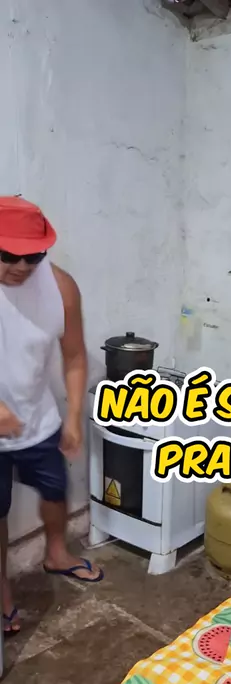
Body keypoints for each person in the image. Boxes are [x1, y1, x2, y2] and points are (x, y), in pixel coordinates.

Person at [0, 196, 103, 636]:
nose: (22, 266)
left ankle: (56, 554)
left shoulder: (60, 288)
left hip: (38, 418)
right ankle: (3, 592)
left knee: (55, 489)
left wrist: (75, 414)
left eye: (34, 256)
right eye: (9, 255)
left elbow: (75, 355)